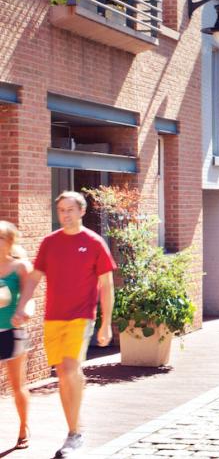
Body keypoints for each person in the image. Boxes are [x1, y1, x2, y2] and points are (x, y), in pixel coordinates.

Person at [14, 191, 116, 457]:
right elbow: (35, 277)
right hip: (53, 317)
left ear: (82, 212)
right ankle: (74, 428)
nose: (65, 215)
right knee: (63, 374)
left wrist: (106, 324)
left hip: (81, 317)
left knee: (70, 369)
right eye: (61, 210)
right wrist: (22, 303)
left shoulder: (94, 243)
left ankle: (74, 434)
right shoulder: (49, 243)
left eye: (70, 210)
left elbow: (106, 285)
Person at [0, 221, 31, 449]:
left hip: (12, 332)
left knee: (17, 385)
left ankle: (23, 427)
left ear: (10, 242)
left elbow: (30, 299)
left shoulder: (20, 267)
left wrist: (25, 313)